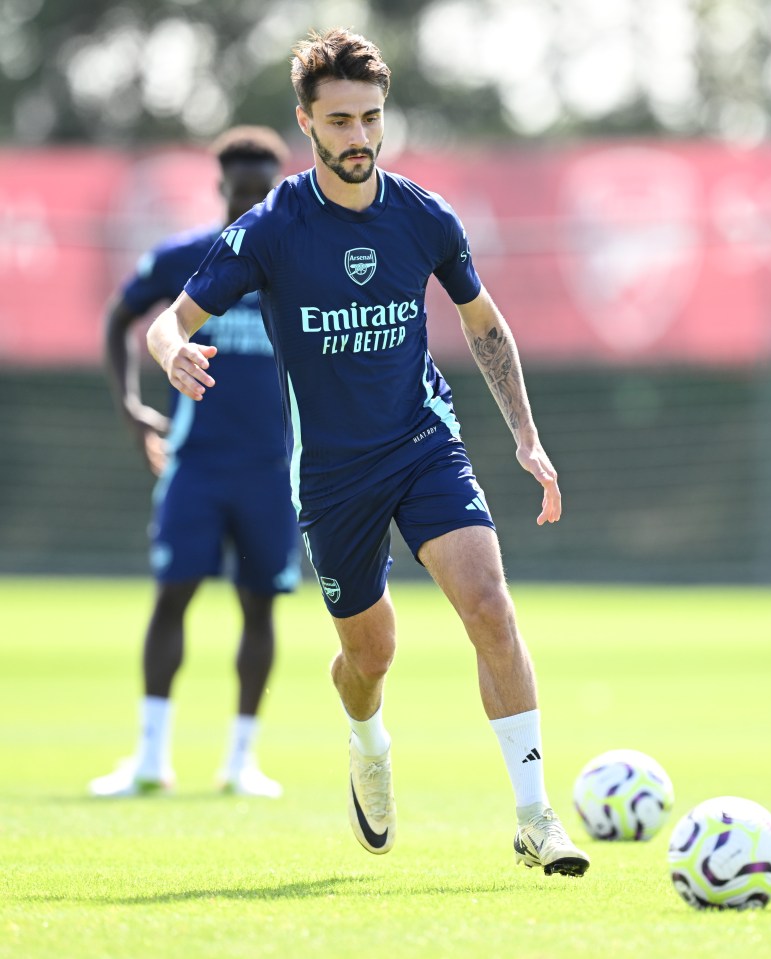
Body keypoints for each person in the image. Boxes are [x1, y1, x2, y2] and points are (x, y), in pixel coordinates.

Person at [145, 29, 589, 875]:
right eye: (340, 120)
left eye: (371, 118)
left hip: (425, 444)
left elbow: (482, 323)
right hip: (332, 477)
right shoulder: (270, 229)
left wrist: (526, 435)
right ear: (307, 123)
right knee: (368, 657)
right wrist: (174, 354)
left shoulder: (423, 216)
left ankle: (536, 817)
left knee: (490, 607)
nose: (359, 137)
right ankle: (367, 741)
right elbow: (174, 316)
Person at [90, 127, 300, 799]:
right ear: (220, 190)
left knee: (260, 607)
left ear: (277, 190)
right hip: (197, 464)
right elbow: (119, 317)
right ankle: (151, 757)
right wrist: (128, 405)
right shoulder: (184, 258)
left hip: (271, 468)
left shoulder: (299, 264)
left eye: (262, 193)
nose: (250, 204)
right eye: (241, 192)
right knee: (172, 596)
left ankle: (241, 760)